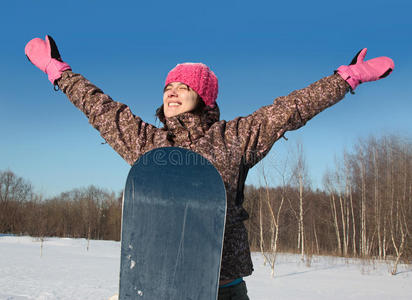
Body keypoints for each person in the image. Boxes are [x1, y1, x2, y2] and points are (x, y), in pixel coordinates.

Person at [25, 35, 394, 300]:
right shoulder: (146, 143)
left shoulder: (234, 138)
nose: (172, 90)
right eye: (168, 85)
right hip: (160, 287)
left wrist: (344, 79)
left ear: (204, 96)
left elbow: (291, 108)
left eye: (184, 85)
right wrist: (59, 72)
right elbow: (100, 107)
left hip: (224, 289)